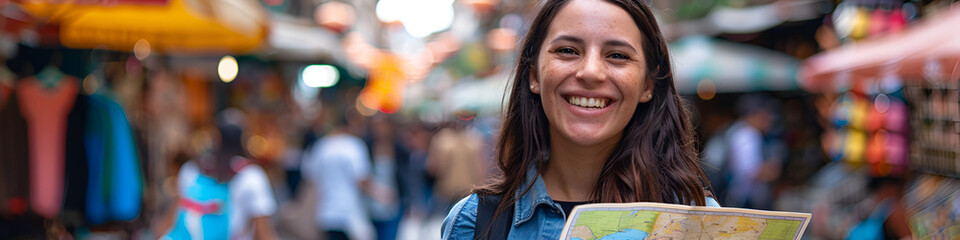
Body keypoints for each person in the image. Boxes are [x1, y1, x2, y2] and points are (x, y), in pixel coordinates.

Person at [441, 0, 718, 239]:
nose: (590, 72)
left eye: (618, 55)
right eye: (568, 50)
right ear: (534, 76)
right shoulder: (474, 221)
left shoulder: (704, 223)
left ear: (647, 85)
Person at [161, 110, 278, 240]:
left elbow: (170, 222)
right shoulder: (252, 176)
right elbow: (264, 233)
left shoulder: (191, 169)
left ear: (216, 136)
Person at [301, 110, 391, 240]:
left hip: (325, 212)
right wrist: (383, 194)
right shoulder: (354, 146)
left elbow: (310, 177)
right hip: (349, 215)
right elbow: (362, 180)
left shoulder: (321, 146)